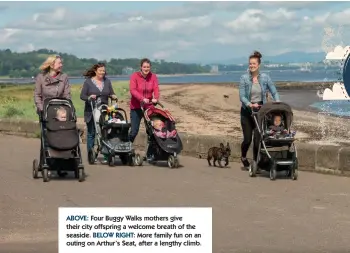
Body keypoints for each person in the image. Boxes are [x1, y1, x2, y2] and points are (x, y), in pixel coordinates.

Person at [239, 51, 280, 170]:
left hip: (260, 112)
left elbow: (274, 91)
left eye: (254, 63)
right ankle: (243, 156)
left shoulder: (265, 77)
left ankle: (256, 161)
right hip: (247, 111)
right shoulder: (244, 78)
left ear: (259, 65)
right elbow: (242, 96)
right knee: (247, 139)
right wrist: (249, 104)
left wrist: (277, 101)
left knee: (258, 138)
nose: (251, 65)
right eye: (250, 63)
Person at [34, 55, 71, 177]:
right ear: (51, 65)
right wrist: (41, 108)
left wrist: (66, 108)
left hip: (60, 111)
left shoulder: (64, 77)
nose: (61, 65)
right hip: (45, 111)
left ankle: (61, 165)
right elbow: (37, 95)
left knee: (61, 136)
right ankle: (45, 163)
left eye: (61, 63)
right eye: (59, 63)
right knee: (46, 137)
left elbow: (67, 95)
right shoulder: (41, 77)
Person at [80, 63, 117, 164]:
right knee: (92, 133)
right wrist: (89, 97)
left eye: (103, 71)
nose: (102, 72)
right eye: (100, 70)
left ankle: (106, 154)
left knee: (105, 132)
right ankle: (90, 154)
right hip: (91, 110)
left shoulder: (107, 81)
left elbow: (111, 93)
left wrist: (113, 96)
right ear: (95, 71)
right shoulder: (88, 82)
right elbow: (82, 96)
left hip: (104, 111)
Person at [129, 58, 160, 144]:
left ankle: (150, 152)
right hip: (136, 107)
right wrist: (142, 98)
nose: (146, 69)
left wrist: (156, 98)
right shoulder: (135, 76)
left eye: (148, 67)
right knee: (134, 131)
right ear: (141, 67)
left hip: (149, 107)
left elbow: (156, 88)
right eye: (144, 67)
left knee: (152, 130)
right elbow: (133, 90)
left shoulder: (153, 76)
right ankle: (126, 147)